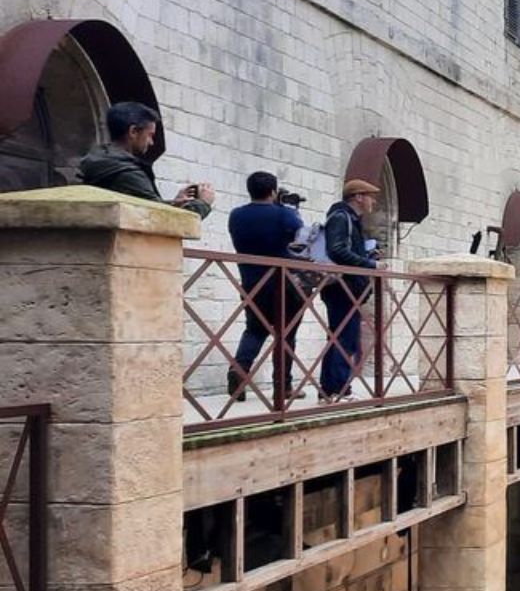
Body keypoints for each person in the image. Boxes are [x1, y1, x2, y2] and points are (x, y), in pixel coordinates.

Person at [225, 171, 307, 405]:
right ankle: (283, 387)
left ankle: (239, 372)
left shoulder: (236, 215)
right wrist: (288, 209)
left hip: (251, 282)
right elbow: (301, 238)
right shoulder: (284, 214)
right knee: (287, 333)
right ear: (273, 191)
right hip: (284, 283)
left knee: (254, 329)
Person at [79, 101, 213, 218]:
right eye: (150, 135)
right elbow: (159, 218)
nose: (151, 142)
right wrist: (203, 203)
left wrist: (173, 203)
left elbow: (142, 206)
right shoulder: (126, 173)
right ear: (133, 132)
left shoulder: (98, 160)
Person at [319, 179, 382, 402]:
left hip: (345, 286)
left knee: (341, 336)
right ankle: (338, 390)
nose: (373, 201)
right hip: (341, 287)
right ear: (358, 197)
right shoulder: (341, 217)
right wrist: (370, 265)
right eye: (370, 196)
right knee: (344, 338)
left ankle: (328, 390)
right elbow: (336, 250)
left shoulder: (349, 219)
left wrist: (368, 256)